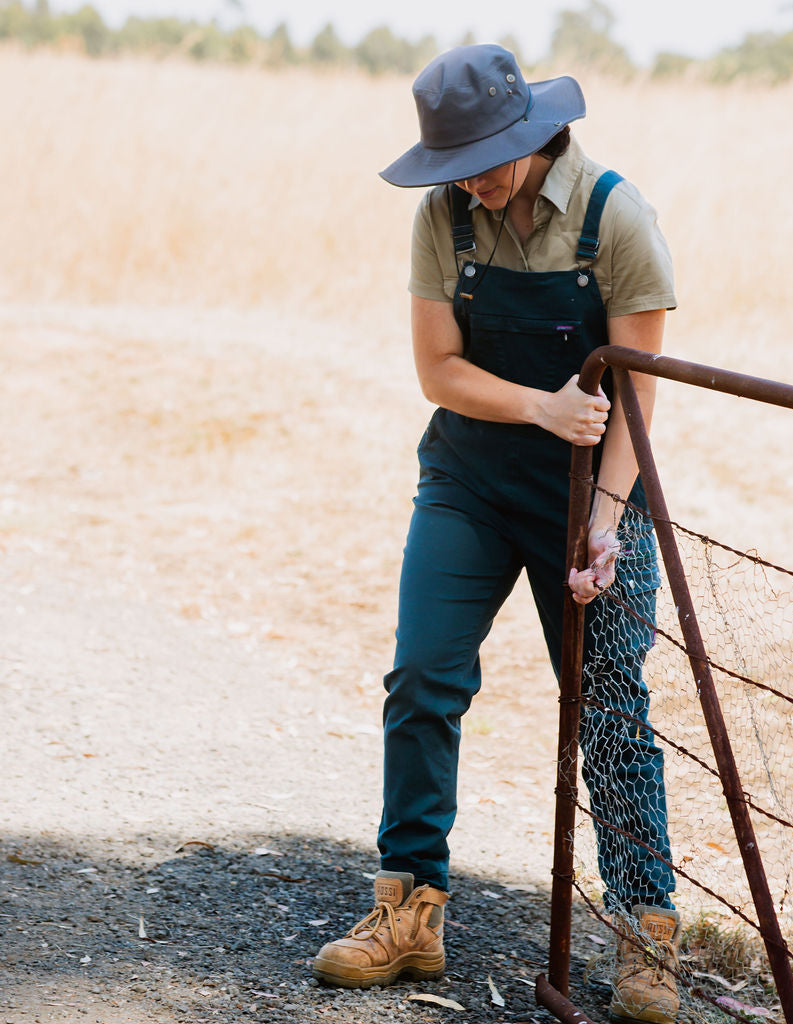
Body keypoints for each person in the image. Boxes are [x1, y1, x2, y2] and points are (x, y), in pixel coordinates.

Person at [312, 44, 680, 1024]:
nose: (468, 178)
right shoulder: (442, 216)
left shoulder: (616, 219)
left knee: (609, 709)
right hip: (468, 482)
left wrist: (603, 528)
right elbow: (438, 369)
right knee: (422, 677)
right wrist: (538, 407)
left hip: (588, 493)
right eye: (454, 161)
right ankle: (408, 908)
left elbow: (637, 397)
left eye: (483, 157)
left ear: (530, 133)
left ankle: (647, 934)